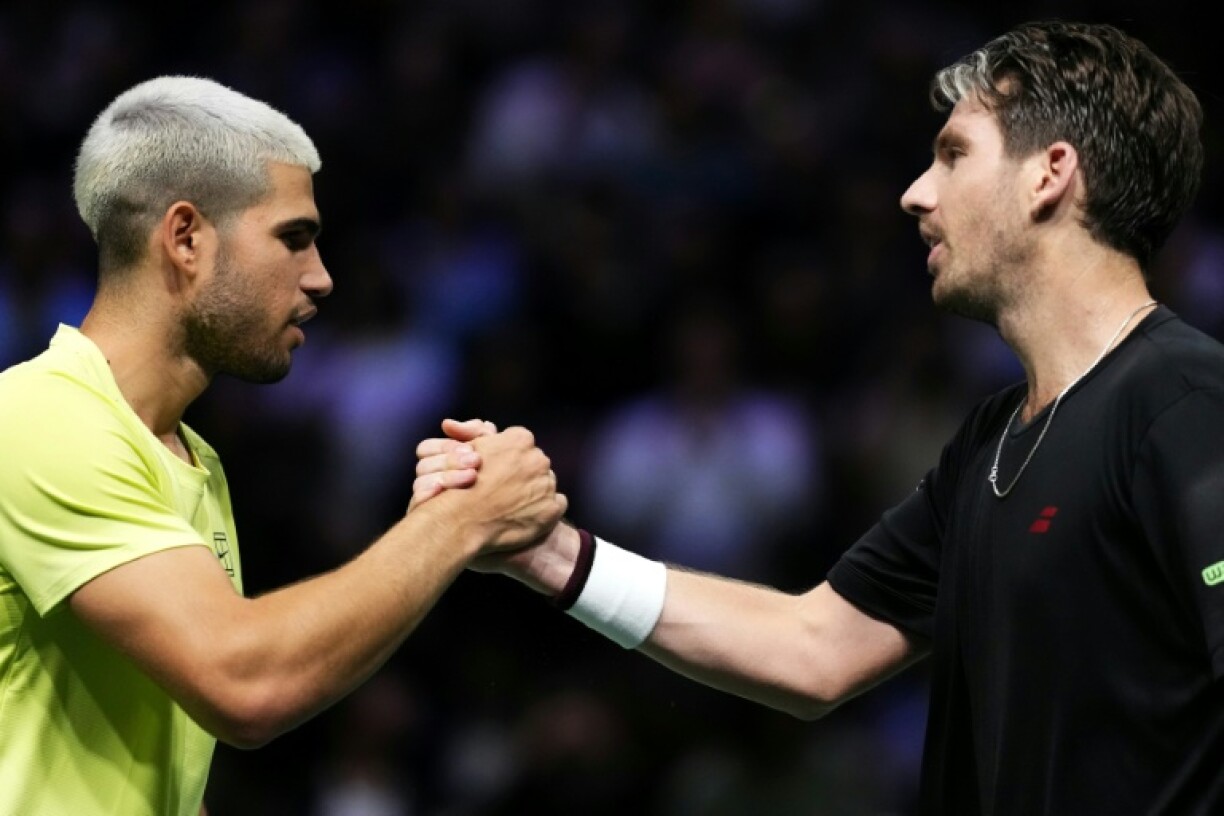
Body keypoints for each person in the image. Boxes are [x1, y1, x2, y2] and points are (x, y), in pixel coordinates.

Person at [414, 21, 1223, 813]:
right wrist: (546, 552)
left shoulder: (1186, 403)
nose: (916, 193)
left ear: (1049, 174)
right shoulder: (991, 442)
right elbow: (816, 648)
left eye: (953, 153)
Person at [0, 76, 566, 816]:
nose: (322, 277)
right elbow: (245, 684)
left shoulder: (190, 460)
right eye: (292, 238)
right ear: (186, 237)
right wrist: (459, 521)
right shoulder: (39, 417)